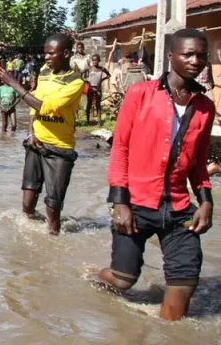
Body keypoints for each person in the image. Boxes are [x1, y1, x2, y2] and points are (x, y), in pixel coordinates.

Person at [96, 29, 214, 321]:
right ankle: (94, 279)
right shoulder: (141, 94)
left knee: (185, 282)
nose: (195, 61)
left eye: (201, 55)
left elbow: (198, 162)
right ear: (171, 56)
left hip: (177, 209)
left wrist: (207, 202)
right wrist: (120, 202)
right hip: (136, 203)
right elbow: (120, 148)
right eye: (188, 54)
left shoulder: (204, 107)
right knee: (124, 280)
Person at [0, 33, 84, 234]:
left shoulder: (75, 83)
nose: (45, 58)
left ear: (66, 54)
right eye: (45, 53)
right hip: (36, 143)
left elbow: (45, 107)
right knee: (27, 204)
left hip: (59, 149)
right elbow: (34, 107)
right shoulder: (44, 72)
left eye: (50, 54)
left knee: (53, 209)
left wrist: (14, 84)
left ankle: (53, 243)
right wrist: (30, 133)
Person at [85, 54, 108, 125]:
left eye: (96, 60)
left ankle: (99, 122)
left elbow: (108, 75)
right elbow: (82, 75)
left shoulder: (101, 69)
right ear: (92, 61)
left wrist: (101, 80)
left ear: (99, 61)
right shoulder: (89, 68)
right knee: (89, 104)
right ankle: (88, 121)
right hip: (90, 89)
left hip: (98, 89)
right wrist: (87, 82)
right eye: (93, 60)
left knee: (98, 105)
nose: (95, 62)